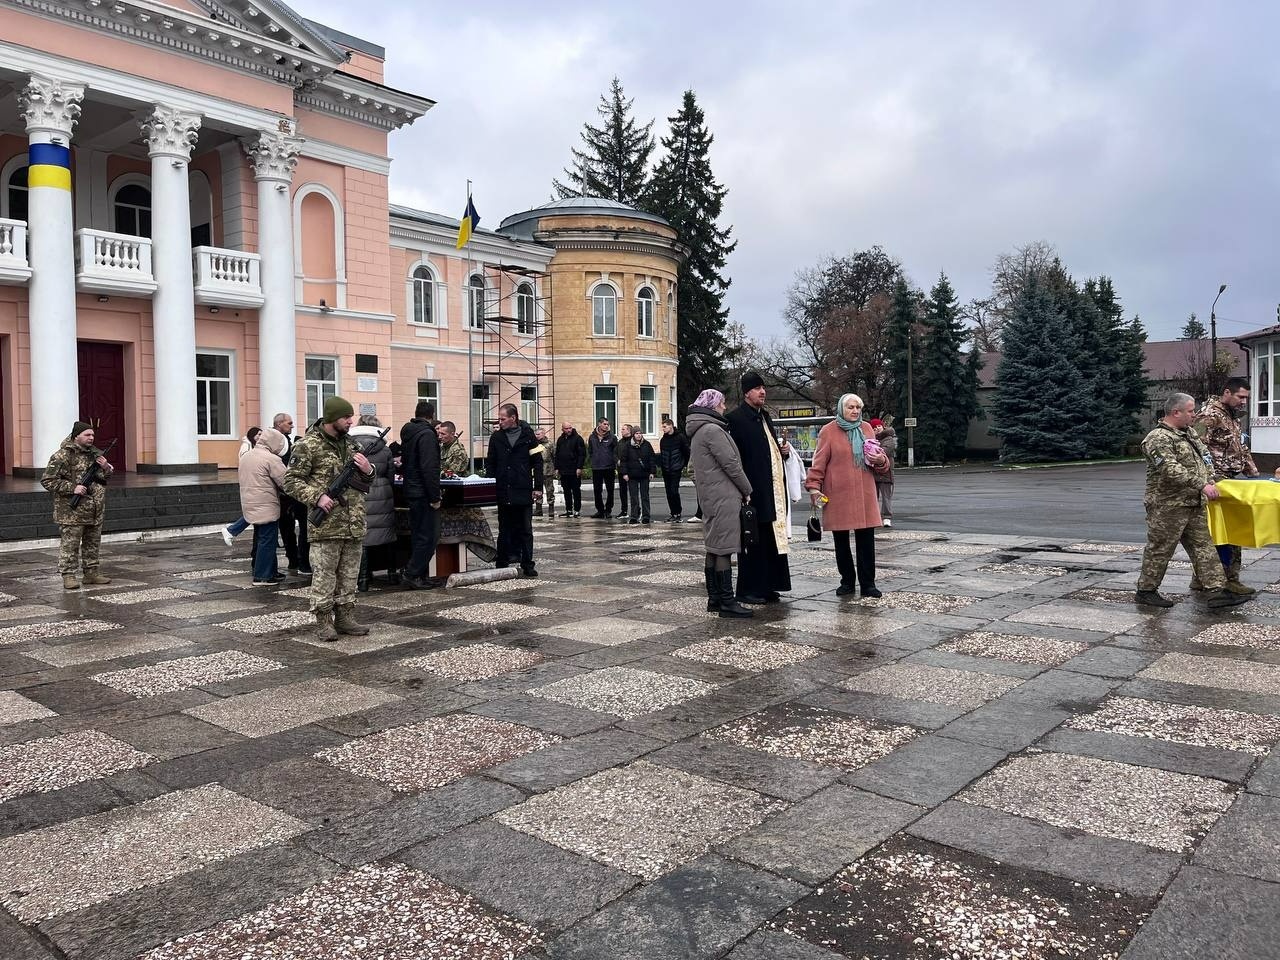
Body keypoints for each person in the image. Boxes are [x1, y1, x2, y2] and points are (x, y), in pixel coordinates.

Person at [1135, 393, 1250, 610]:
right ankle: (1146, 590)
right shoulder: (1158, 438)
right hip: (1167, 506)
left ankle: (1217, 591)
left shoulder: (1188, 434)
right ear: (1175, 412)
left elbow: (1204, 460)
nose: (1194, 414)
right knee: (1160, 549)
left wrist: (1213, 480)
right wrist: (1202, 485)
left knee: (1204, 546)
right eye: (1190, 411)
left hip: (1193, 503)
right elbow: (1170, 469)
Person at [284, 396, 376, 640]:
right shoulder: (308, 445)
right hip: (326, 524)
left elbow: (367, 481)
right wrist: (317, 497)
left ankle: (345, 617)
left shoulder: (352, 445)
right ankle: (324, 621)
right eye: (346, 417)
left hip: (353, 522)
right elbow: (291, 481)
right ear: (333, 418)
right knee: (325, 576)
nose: (351, 421)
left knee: (349, 575)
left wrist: (368, 470)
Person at [807, 395, 891, 598]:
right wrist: (813, 487)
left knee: (866, 541)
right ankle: (847, 581)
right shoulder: (829, 431)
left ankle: (868, 584)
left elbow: (881, 463)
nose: (855, 411)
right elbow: (819, 463)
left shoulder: (866, 428)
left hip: (864, 492)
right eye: (851, 407)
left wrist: (880, 460)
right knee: (841, 541)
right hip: (838, 494)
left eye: (858, 407)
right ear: (841, 409)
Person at [726, 372, 793, 603]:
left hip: (772, 490)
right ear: (747, 392)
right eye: (757, 388)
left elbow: (767, 449)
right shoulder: (735, 419)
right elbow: (736, 459)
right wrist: (743, 490)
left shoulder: (764, 416)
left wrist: (781, 452)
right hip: (752, 491)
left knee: (769, 540)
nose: (762, 392)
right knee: (752, 541)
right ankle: (748, 589)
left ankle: (767, 585)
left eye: (763, 387)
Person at [686, 389, 753, 618]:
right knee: (724, 548)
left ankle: (714, 598)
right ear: (713, 405)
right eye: (722, 403)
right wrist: (747, 489)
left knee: (713, 547)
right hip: (724, 496)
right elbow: (731, 464)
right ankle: (727, 601)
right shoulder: (713, 430)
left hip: (709, 496)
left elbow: (693, 469)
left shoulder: (698, 430)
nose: (725, 407)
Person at [1194, 377, 1258, 596]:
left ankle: (1201, 577)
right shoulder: (1210, 415)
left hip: (1230, 478)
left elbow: (1241, 447)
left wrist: (1253, 474)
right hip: (1216, 481)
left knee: (1220, 530)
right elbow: (1196, 447)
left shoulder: (1232, 417)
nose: (1243, 402)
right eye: (1241, 397)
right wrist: (1208, 479)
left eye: (1246, 398)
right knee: (1225, 531)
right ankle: (1228, 579)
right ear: (1227, 393)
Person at [41, 421, 114, 590]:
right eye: (87, 435)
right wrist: (72, 488)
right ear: (76, 437)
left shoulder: (95, 455)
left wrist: (105, 468)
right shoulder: (62, 456)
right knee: (70, 544)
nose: (91, 438)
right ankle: (68, 575)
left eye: (93, 435)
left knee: (92, 542)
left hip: (95, 508)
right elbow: (47, 480)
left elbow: (104, 478)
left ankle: (91, 573)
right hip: (71, 511)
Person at [486, 403, 543, 576]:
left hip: (522, 488)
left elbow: (538, 462)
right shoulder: (496, 438)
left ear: (513, 418)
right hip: (503, 489)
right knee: (505, 528)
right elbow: (491, 464)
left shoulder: (528, 436)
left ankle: (527, 563)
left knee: (525, 529)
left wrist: (538, 487)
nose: (500, 422)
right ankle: (502, 561)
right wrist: (490, 486)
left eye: (503, 419)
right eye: (499, 419)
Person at [438, 420, 497, 562]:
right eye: (439, 433)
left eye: (443, 434)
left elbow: (450, 473)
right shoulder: (443, 447)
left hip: (454, 493)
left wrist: (435, 472)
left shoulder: (458, 451)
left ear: (452, 434)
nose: (440, 436)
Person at [400, 401, 442, 589]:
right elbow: (429, 468)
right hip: (423, 492)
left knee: (419, 534)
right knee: (430, 535)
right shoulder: (426, 434)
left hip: (412, 489)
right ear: (431, 415)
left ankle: (420, 574)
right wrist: (435, 497)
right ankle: (413, 573)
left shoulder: (409, 433)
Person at [351, 415, 396, 592]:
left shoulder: (352, 447)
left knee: (364, 536)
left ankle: (363, 578)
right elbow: (391, 475)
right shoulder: (385, 449)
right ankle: (392, 574)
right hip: (383, 494)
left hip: (362, 493)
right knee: (388, 535)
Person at [238, 427, 287, 585]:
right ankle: (263, 575)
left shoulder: (247, 456)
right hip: (266, 504)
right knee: (267, 540)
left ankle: (270, 571)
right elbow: (286, 482)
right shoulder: (271, 459)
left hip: (250, 502)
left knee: (261, 538)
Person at [271, 413, 309, 576]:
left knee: (289, 527)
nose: (292, 426)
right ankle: (296, 559)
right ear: (279, 424)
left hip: (286, 490)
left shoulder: (283, 439)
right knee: (288, 527)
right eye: (289, 423)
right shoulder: (279, 441)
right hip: (284, 491)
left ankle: (295, 559)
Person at [220, 426, 261, 547]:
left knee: (256, 511)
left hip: (253, 483)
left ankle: (232, 530)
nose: (260, 437)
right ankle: (231, 530)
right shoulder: (247, 447)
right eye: (258, 434)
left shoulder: (252, 447)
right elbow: (247, 465)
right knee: (255, 511)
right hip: (251, 484)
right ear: (252, 435)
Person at [621, 427, 656, 524]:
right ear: (633, 434)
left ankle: (646, 516)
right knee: (634, 497)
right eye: (636, 433)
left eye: (640, 433)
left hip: (644, 474)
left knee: (645, 496)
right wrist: (624, 473)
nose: (639, 435)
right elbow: (624, 460)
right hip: (632, 475)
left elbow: (651, 459)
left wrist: (652, 472)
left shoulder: (647, 445)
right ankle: (634, 516)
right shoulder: (628, 445)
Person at [658, 419, 691, 522]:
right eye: (662, 427)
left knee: (674, 491)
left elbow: (686, 452)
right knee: (668, 492)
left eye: (665, 427)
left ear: (671, 426)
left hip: (676, 468)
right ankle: (673, 513)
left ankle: (678, 513)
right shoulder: (663, 440)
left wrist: (684, 465)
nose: (663, 429)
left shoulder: (680, 437)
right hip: (666, 469)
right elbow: (662, 454)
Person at [554, 421, 587, 517]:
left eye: (570, 428)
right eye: (566, 428)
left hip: (574, 469)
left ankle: (577, 510)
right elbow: (558, 454)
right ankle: (568, 509)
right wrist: (557, 467)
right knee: (566, 490)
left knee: (576, 490)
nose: (568, 430)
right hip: (564, 470)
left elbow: (582, 454)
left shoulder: (578, 439)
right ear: (562, 429)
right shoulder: (560, 439)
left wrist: (579, 467)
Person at [870, 418, 897, 528]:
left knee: (886, 497)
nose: (877, 429)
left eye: (878, 426)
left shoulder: (888, 438)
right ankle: (873, 516)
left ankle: (887, 517)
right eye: (874, 428)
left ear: (883, 426)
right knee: (872, 496)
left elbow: (885, 450)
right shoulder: (870, 438)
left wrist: (873, 449)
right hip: (873, 472)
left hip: (885, 472)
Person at [588, 418, 618, 518]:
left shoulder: (612, 437)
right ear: (599, 424)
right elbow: (590, 451)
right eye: (604, 424)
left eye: (607, 424)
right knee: (597, 490)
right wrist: (593, 460)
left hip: (609, 467)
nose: (606, 426)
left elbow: (615, 452)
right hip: (596, 467)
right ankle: (600, 510)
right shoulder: (592, 437)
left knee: (610, 490)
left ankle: (608, 510)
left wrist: (614, 463)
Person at [534, 427, 557, 519]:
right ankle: (538, 509)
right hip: (537, 471)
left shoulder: (550, 444)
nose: (537, 436)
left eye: (539, 434)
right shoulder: (534, 444)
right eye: (536, 434)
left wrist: (556, 468)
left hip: (548, 470)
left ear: (543, 434)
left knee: (549, 490)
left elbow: (555, 456)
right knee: (537, 490)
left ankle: (551, 508)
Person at [615, 424, 633, 520]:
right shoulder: (620, 442)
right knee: (622, 491)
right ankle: (624, 510)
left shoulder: (632, 442)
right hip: (621, 470)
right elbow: (614, 453)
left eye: (623, 429)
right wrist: (617, 460)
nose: (621, 431)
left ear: (629, 431)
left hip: (630, 470)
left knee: (633, 491)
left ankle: (636, 511)